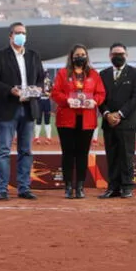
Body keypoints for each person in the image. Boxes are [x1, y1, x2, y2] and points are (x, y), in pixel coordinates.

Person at [0, 21, 45, 201]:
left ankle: (24, 187)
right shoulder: (0, 56)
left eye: (24, 33)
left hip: (29, 108)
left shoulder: (34, 56)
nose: (21, 36)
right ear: (10, 36)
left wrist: (38, 89)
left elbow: (41, 78)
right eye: (18, 32)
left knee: (26, 150)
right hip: (7, 107)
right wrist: (10, 90)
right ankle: (2, 188)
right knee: (4, 150)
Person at [51, 44, 105, 199]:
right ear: (72, 57)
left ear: (86, 56)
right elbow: (55, 93)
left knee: (82, 154)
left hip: (87, 119)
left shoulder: (94, 74)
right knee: (68, 153)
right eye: (77, 54)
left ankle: (80, 186)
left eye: (82, 54)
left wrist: (94, 101)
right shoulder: (62, 73)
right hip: (67, 118)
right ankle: (68, 187)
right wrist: (68, 100)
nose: (80, 57)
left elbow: (101, 93)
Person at [98, 42, 136, 199]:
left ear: (126, 55)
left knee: (126, 155)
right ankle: (113, 187)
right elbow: (99, 98)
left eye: (121, 54)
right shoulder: (102, 75)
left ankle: (127, 186)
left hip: (127, 121)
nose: (118, 57)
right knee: (112, 155)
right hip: (108, 121)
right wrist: (108, 114)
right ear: (110, 56)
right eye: (115, 54)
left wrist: (120, 114)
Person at [34, 70, 53, 145]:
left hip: (46, 101)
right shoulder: (37, 82)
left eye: (46, 73)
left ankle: (48, 137)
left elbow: (53, 92)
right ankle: (36, 137)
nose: (46, 75)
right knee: (38, 120)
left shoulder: (49, 82)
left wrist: (48, 93)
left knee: (47, 120)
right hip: (39, 102)